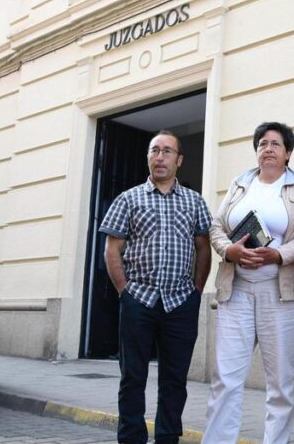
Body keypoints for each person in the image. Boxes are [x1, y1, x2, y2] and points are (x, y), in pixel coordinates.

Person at [203, 122, 294, 444]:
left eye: (275, 144)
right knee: (225, 378)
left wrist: (279, 254)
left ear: (288, 153)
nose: (268, 148)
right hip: (236, 291)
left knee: (280, 383)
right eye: (262, 144)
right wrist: (228, 250)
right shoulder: (240, 184)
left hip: (281, 294)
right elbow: (216, 227)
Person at [99, 130, 212, 444]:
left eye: (167, 151)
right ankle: (131, 438)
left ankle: (167, 437)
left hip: (180, 302)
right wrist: (125, 292)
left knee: (174, 380)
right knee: (132, 378)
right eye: (154, 150)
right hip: (139, 300)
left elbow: (203, 248)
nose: (160, 157)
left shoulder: (194, 201)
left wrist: (196, 291)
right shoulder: (128, 199)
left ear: (179, 160)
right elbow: (112, 250)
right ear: (148, 156)